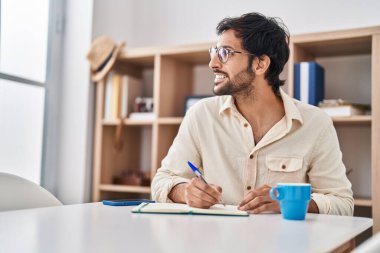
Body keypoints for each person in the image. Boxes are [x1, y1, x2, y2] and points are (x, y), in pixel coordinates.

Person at [151, 12, 353, 216]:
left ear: (260, 64)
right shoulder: (200, 115)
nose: (213, 63)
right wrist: (184, 192)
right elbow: (162, 180)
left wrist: (288, 200)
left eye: (225, 53)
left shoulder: (315, 123)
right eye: (214, 52)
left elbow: (342, 204)